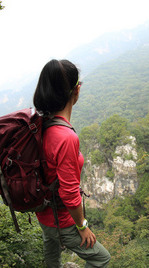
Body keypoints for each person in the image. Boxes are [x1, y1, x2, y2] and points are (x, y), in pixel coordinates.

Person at [33, 59, 111, 268]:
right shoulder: (66, 137)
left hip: (44, 215)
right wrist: (82, 225)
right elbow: (69, 193)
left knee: (52, 258)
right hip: (62, 221)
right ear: (76, 91)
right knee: (101, 259)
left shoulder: (39, 125)